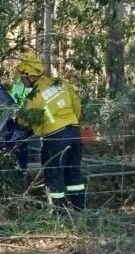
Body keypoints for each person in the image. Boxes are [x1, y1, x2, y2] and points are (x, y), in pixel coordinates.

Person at [15, 50, 85, 211]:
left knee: (55, 175)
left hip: (55, 138)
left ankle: (59, 214)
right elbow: (76, 103)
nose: (21, 80)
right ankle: (80, 210)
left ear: (29, 75)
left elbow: (24, 121)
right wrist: (71, 120)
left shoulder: (34, 97)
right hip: (74, 132)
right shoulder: (60, 83)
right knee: (74, 173)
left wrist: (22, 122)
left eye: (22, 77)